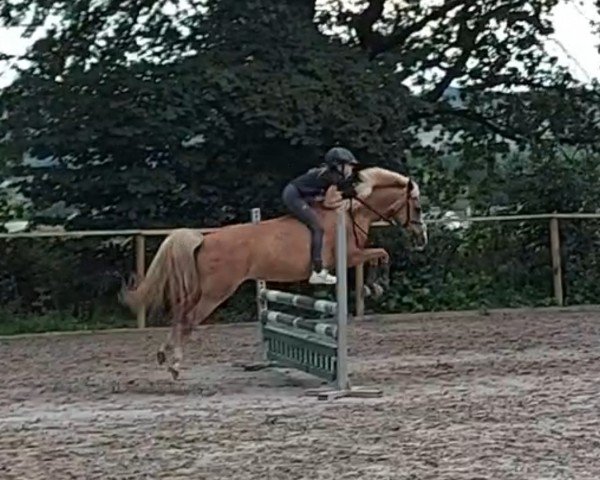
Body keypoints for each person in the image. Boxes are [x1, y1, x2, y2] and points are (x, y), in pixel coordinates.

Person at [281, 146, 359, 285]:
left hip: (301, 193)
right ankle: (317, 271)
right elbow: (329, 203)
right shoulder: (333, 177)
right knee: (318, 227)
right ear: (338, 166)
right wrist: (344, 201)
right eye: (348, 165)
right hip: (294, 196)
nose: (350, 169)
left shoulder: (331, 173)